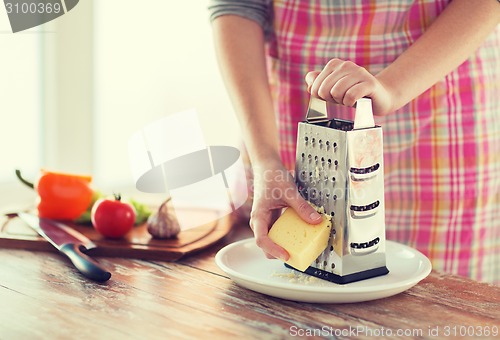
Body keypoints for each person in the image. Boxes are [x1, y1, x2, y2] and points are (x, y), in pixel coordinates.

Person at [208, 0, 500, 284]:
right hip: (290, 107)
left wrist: (392, 87)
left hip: (437, 104)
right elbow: (238, 6)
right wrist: (265, 160)